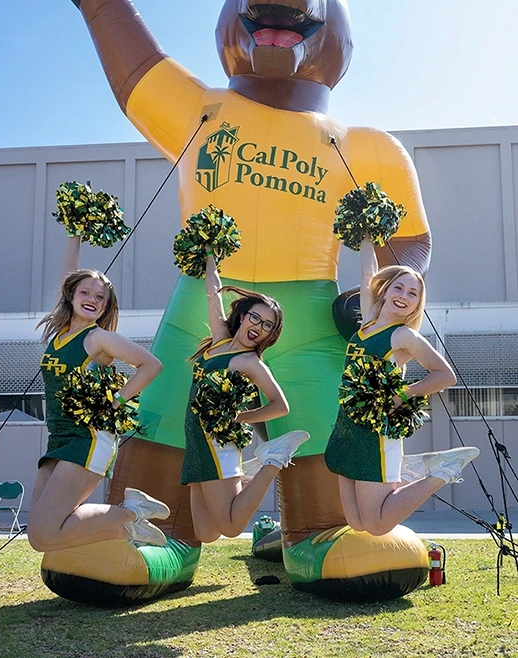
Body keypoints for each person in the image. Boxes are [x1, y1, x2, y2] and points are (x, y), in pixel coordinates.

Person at [325, 235, 479, 536]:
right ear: (384, 291)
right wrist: (367, 234)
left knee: (377, 525)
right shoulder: (368, 322)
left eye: (413, 294)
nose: (404, 296)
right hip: (346, 426)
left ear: (415, 306)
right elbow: (367, 273)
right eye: (399, 287)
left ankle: (442, 471)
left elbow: (445, 375)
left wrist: (402, 395)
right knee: (357, 524)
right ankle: (412, 471)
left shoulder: (404, 337)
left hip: (377, 432)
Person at [28, 234, 169, 552]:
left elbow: (151, 364)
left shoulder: (99, 338)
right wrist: (75, 234)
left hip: (89, 437)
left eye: (100, 297)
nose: (91, 299)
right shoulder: (63, 332)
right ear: (71, 295)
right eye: (85, 292)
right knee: (39, 537)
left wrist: (116, 400)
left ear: (106, 306)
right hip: (60, 436)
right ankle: (128, 525)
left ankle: (131, 513)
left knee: (47, 533)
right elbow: (68, 273)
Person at [182, 248, 310, 542]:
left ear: (269, 335)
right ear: (242, 316)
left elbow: (281, 406)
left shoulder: (251, 363)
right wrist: (210, 253)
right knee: (206, 533)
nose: (259, 327)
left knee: (230, 528)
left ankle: (273, 460)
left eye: (268, 326)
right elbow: (213, 293)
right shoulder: (219, 340)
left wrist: (239, 417)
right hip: (196, 440)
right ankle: (246, 478)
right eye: (256, 318)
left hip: (217, 443)